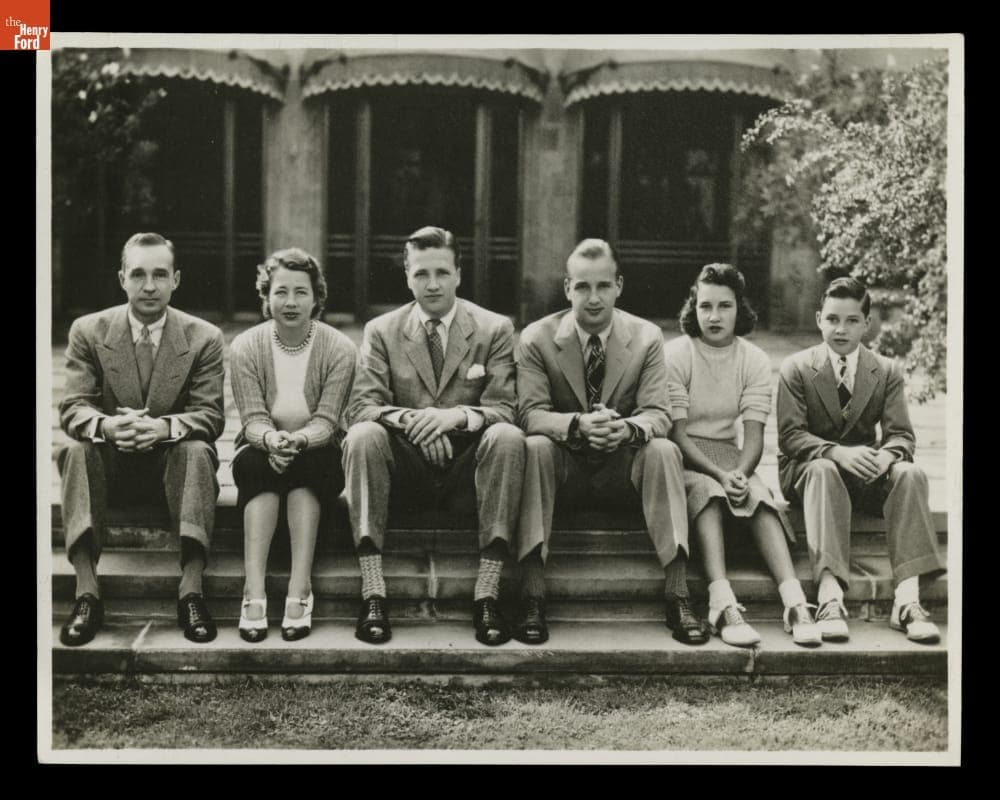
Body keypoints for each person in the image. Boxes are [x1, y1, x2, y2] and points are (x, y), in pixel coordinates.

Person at [515, 239, 708, 646]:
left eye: (603, 286)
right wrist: (577, 424)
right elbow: (529, 414)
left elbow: (658, 413)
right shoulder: (537, 338)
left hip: (624, 469)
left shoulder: (646, 337)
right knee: (533, 446)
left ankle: (678, 593)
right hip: (564, 469)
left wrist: (627, 430)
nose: (593, 298)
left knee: (664, 449)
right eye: (582, 287)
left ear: (619, 285)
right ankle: (532, 595)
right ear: (567, 288)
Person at [343, 226, 525, 646]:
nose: (432, 284)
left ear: (459, 274)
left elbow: (506, 408)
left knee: (510, 439)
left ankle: (487, 594)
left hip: (468, 473)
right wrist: (418, 421)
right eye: (421, 274)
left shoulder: (493, 328)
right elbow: (361, 407)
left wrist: (456, 418)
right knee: (363, 436)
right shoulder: (382, 331)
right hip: (406, 471)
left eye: (442, 272)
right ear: (407, 276)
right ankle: (373, 591)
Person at [57, 232, 225, 646]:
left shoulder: (204, 337)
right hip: (111, 465)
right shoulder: (88, 331)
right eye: (138, 274)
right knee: (76, 450)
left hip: (171, 468)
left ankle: (190, 591)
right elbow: (74, 407)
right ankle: (86, 593)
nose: (149, 286)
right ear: (122, 279)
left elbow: (210, 415)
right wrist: (107, 426)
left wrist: (163, 428)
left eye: (160, 275)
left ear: (176, 280)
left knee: (198, 449)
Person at [777, 276, 946, 643]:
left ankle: (907, 600)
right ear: (819, 317)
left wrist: (885, 458)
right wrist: (836, 452)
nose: (841, 329)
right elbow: (790, 436)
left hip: (865, 473)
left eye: (852, 320)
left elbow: (902, 435)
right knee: (823, 469)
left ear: (866, 324)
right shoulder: (797, 367)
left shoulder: (886, 370)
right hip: (809, 472)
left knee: (910, 473)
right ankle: (829, 597)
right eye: (833, 319)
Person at [665, 264, 821, 648]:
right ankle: (722, 602)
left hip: (731, 456)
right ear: (693, 308)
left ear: (740, 309)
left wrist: (740, 472)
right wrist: (721, 476)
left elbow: (754, 435)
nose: (714, 317)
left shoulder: (751, 358)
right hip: (684, 456)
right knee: (709, 494)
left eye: (724, 306)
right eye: (705, 306)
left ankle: (795, 602)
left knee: (759, 496)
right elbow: (678, 433)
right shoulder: (676, 354)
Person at [229, 248, 356, 642]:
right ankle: (253, 592)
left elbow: (329, 419)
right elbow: (251, 418)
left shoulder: (339, 348)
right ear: (266, 297)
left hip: (318, 449)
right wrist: (270, 440)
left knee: (306, 476)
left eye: (301, 292)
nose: (290, 302)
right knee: (256, 470)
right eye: (280, 292)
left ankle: (300, 590)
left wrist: (297, 440)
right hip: (261, 447)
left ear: (317, 298)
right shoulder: (245, 346)